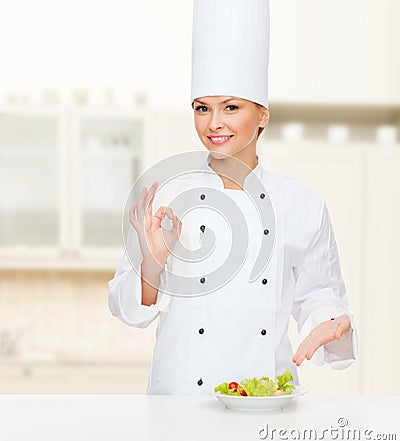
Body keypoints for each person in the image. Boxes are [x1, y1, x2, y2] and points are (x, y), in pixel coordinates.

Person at [108, 0, 357, 395]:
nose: (214, 123)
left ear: (263, 115)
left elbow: (319, 294)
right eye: (202, 108)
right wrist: (152, 266)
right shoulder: (168, 196)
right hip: (180, 404)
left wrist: (331, 319)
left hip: (265, 400)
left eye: (231, 107)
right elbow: (126, 309)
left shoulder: (302, 204)